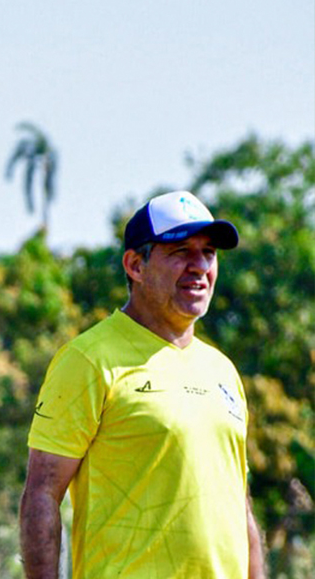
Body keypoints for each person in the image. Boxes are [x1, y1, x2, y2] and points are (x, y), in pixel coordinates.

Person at [19, 190, 265, 578]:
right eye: (181, 251)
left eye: (209, 253)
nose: (199, 266)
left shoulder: (223, 370)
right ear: (135, 265)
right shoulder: (88, 359)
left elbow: (240, 504)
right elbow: (42, 494)